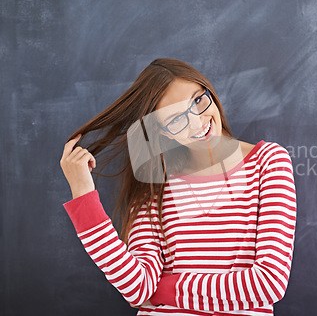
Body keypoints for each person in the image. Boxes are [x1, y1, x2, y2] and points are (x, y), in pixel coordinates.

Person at [59, 58, 297, 315]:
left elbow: (269, 282)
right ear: (162, 132)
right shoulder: (154, 183)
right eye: (175, 120)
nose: (197, 121)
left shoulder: (268, 161)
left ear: (208, 91)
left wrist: (164, 289)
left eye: (197, 100)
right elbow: (137, 288)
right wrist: (83, 195)